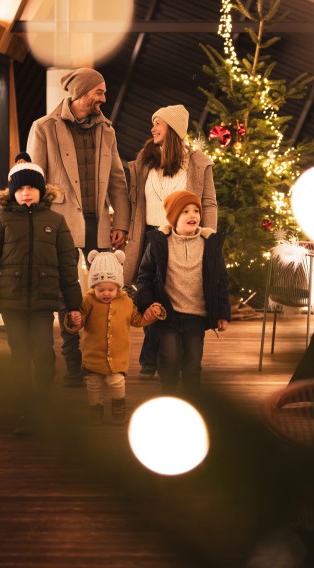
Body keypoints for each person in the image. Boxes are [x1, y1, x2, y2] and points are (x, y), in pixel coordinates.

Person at [27, 67, 131, 388]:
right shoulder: (44, 128)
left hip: (98, 224)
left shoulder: (106, 130)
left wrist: (121, 222)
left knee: (104, 291)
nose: (104, 98)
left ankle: (99, 361)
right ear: (81, 93)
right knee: (65, 292)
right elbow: (35, 180)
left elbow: (117, 180)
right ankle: (73, 365)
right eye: (99, 92)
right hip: (58, 225)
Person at [0, 153, 81, 434]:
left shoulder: (56, 222)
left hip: (43, 303)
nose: (26, 192)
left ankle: (42, 404)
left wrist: (74, 305)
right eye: (20, 188)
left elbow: (68, 266)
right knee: (20, 356)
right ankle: (25, 411)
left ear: (41, 190)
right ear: (12, 192)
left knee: (44, 354)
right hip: (11, 302)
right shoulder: (2, 221)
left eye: (31, 187)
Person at [124, 104, 217, 377]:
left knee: (173, 297)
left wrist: (208, 235)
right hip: (150, 236)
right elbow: (134, 201)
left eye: (158, 123)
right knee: (150, 294)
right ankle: (150, 359)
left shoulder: (198, 163)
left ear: (173, 128)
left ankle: (159, 360)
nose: (152, 128)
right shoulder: (146, 159)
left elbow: (208, 202)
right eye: (153, 123)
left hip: (181, 238)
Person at [135, 190, 230, 395]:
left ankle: (191, 398)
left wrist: (222, 313)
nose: (192, 215)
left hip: (197, 315)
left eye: (196, 211)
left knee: (192, 362)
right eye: (185, 211)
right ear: (173, 217)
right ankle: (168, 395)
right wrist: (146, 304)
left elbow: (221, 280)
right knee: (169, 358)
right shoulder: (159, 243)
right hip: (169, 314)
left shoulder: (210, 244)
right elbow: (145, 276)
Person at [68, 249, 164, 424]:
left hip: (117, 356)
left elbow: (136, 319)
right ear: (93, 287)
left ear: (118, 286)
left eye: (111, 289)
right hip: (93, 355)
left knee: (117, 382)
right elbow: (79, 321)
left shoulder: (126, 301)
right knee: (93, 383)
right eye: (101, 290)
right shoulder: (88, 301)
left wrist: (151, 315)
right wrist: (75, 320)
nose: (106, 293)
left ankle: (118, 409)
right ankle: (96, 410)